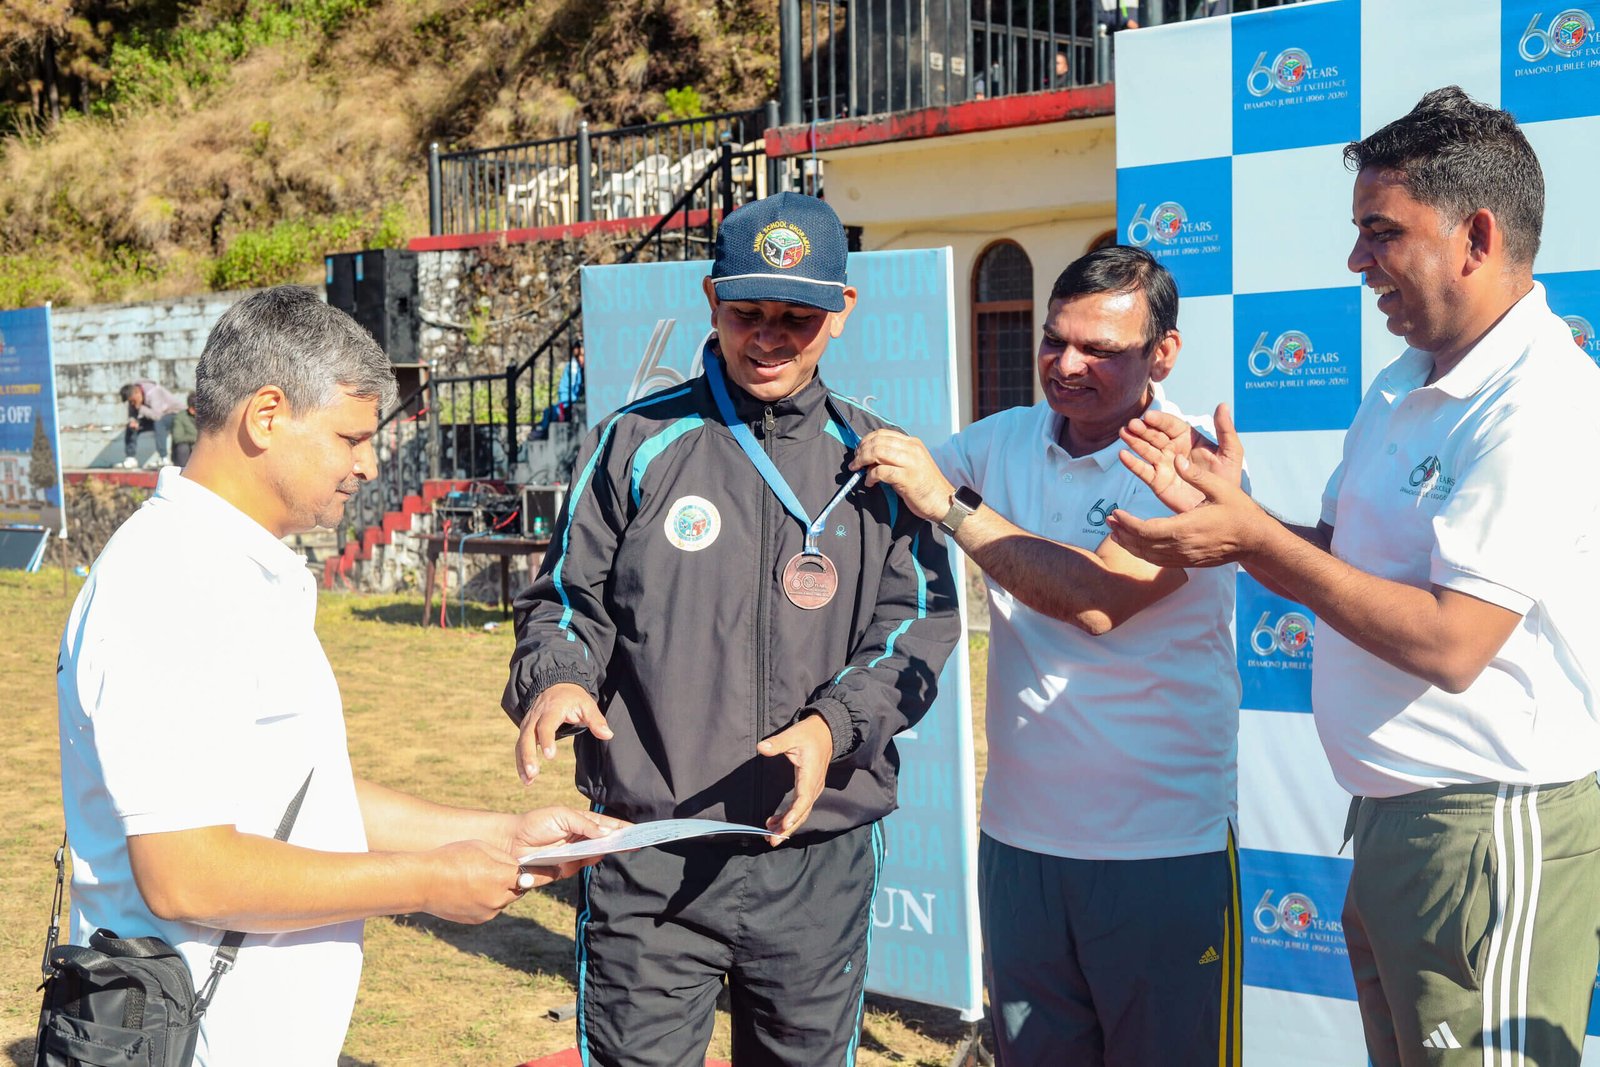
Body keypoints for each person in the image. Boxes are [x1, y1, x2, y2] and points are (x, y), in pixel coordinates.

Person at [1110, 86, 1600, 1066]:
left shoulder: (1540, 401)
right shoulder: (1403, 382)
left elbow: (1453, 642)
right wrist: (1231, 511)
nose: (1355, 260)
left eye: (1382, 232)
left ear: (1475, 236)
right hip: (1397, 822)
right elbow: (1339, 554)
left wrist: (1252, 540)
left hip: (1485, 828)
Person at [58, 285, 623, 1066]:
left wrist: (499, 837)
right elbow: (187, 873)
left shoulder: (231, 572)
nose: (368, 463)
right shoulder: (174, 584)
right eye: (351, 436)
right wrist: (424, 881)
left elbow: (301, 797)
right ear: (266, 415)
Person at [502, 191, 961, 1067]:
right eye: (749, 313)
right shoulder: (635, 440)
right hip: (653, 847)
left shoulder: (880, 461)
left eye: (798, 318)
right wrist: (559, 674)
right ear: (712, 300)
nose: (770, 338)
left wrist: (833, 727)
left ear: (842, 311)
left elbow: (913, 631)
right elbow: (565, 596)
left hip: (815, 853)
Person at [850, 244, 1242, 1066]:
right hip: (1020, 842)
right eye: (1054, 340)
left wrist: (952, 506)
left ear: (1163, 354)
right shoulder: (1004, 438)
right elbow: (875, 496)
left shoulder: (1192, 467)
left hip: (1160, 851)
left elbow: (1097, 599)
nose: (1066, 366)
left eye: (1100, 349)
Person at [119, 378, 184, 468]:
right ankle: (130, 458)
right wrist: (133, 421)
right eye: (130, 402)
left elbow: (157, 416)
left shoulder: (153, 392)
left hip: (176, 415)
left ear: (137, 392)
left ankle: (164, 458)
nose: (132, 404)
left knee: (159, 422)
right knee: (131, 426)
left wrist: (140, 407)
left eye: (133, 401)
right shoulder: (133, 398)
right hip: (156, 416)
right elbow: (132, 415)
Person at [170, 400, 198, 466]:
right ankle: (182, 470)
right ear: (192, 410)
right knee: (183, 447)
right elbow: (177, 438)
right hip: (187, 450)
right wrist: (197, 438)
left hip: (201, 448)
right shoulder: (181, 417)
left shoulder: (208, 416)